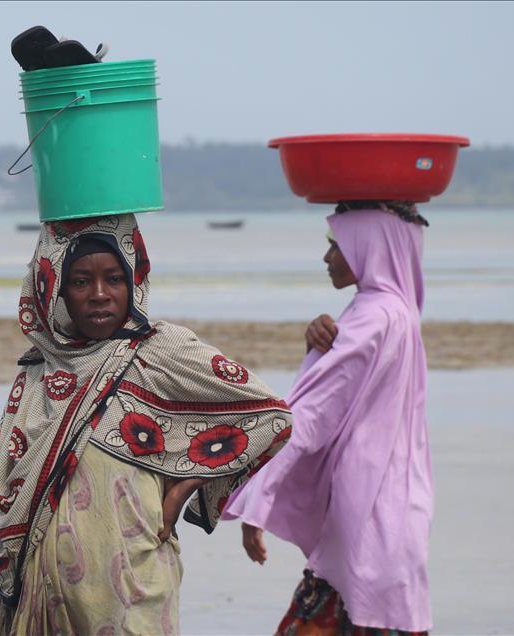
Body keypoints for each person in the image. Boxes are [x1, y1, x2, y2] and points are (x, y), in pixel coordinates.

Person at [0, 214, 293, 635]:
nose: (99, 295)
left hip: (131, 590)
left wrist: (186, 484)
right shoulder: (37, 374)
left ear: (133, 281)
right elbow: (7, 484)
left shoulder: (159, 351)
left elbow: (268, 416)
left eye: (114, 278)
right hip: (45, 600)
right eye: (79, 282)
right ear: (51, 290)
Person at [223, 201, 433, 635]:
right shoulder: (399, 312)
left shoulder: (371, 317)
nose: (327, 258)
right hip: (398, 516)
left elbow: (311, 415)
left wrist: (256, 503)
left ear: (370, 249)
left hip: (367, 524)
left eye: (337, 246)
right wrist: (318, 350)